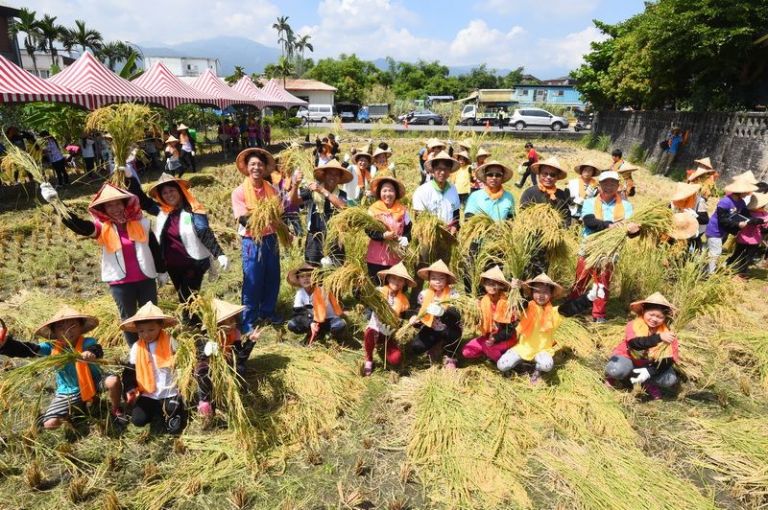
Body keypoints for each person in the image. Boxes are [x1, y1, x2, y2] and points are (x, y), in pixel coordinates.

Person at [40, 183, 163, 345]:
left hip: (146, 279)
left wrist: (162, 270)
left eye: (118, 203)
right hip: (121, 283)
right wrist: (56, 203)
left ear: (125, 203)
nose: (115, 208)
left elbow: (154, 247)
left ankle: (156, 349)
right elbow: (78, 225)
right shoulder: (102, 228)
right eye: (109, 205)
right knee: (128, 320)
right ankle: (135, 353)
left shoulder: (142, 223)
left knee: (152, 316)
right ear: (103, 209)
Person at [0, 306, 124, 428]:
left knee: (113, 381)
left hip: (94, 381)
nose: (68, 330)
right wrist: (7, 344)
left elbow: (97, 349)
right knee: (50, 424)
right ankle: (71, 412)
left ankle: (115, 410)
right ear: (54, 332)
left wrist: (91, 353)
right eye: (61, 327)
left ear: (81, 327)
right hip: (69, 390)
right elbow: (29, 349)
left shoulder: (87, 343)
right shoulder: (51, 347)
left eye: (73, 325)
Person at [129, 173, 228, 321]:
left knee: (187, 296)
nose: (169, 195)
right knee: (185, 297)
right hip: (172, 265)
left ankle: (193, 326)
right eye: (165, 192)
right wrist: (129, 178)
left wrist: (219, 253)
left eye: (172, 190)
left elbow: (204, 232)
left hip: (194, 263)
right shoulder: (163, 211)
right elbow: (143, 201)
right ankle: (195, 324)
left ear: (180, 190)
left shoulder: (193, 210)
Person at [496, 273, 595, 383]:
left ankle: (537, 371)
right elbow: (519, 302)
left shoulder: (554, 312)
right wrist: (515, 289)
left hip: (542, 351)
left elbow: (571, 307)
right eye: (537, 291)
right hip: (522, 348)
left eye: (545, 292)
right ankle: (521, 364)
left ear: (551, 294)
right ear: (532, 293)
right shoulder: (526, 308)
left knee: (547, 365)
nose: (541, 295)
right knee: (502, 365)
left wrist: (589, 298)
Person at [569, 171, 640, 323]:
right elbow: (589, 222)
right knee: (580, 280)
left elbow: (629, 232)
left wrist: (636, 230)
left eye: (612, 183)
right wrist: (611, 226)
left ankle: (598, 314)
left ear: (618, 186)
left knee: (602, 283)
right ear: (599, 185)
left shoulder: (626, 206)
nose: (609, 186)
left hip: (610, 251)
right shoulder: (590, 202)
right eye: (605, 183)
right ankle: (573, 309)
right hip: (589, 248)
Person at [231, 148, 287, 330]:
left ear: (264, 168)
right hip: (251, 241)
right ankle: (248, 319)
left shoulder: (271, 189)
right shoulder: (239, 192)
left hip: (271, 238)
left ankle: (268, 311)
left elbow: (279, 215)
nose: (256, 167)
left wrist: (283, 228)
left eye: (260, 164)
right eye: (253, 164)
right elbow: (243, 219)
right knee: (253, 278)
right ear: (247, 168)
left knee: (272, 276)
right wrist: (263, 216)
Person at [121, 302, 186, 435]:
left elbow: (181, 364)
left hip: (169, 389)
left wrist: (182, 386)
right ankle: (158, 410)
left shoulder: (171, 342)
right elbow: (130, 371)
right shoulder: (137, 347)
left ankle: (171, 410)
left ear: (160, 326)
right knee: (138, 420)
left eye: (151, 330)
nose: (146, 335)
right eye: (141, 331)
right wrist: (130, 387)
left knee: (174, 428)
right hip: (148, 391)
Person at [605, 292, 680, 399]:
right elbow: (635, 344)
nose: (654, 319)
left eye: (660, 317)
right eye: (651, 314)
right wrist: (659, 338)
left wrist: (649, 371)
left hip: (648, 364)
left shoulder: (668, 333)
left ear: (665, 318)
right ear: (644, 311)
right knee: (616, 369)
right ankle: (614, 377)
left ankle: (648, 382)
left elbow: (669, 359)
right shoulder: (634, 325)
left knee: (669, 378)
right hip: (628, 358)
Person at [194, 299, 261, 417]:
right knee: (202, 373)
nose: (230, 325)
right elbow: (200, 360)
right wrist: (208, 352)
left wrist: (251, 342)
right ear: (216, 325)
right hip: (210, 368)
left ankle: (236, 395)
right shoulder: (207, 338)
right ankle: (205, 402)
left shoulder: (235, 334)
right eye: (225, 322)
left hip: (227, 364)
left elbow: (239, 357)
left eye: (232, 320)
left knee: (240, 368)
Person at [410, 150, 461, 304]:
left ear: (450, 171)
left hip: (446, 239)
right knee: (421, 270)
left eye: (446, 168)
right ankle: (414, 303)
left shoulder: (453, 190)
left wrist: (454, 228)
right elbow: (419, 217)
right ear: (432, 170)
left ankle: (440, 304)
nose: (442, 172)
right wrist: (435, 228)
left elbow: (456, 215)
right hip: (427, 239)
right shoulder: (423, 190)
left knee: (441, 274)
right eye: (438, 168)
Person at [519, 157, 571, 277]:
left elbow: (566, 216)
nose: (548, 177)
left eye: (552, 175)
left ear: (557, 177)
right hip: (533, 239)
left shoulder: (561, 195)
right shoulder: (530, 193)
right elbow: (523, 214)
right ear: (539, 174)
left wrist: (559, 231)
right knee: (529, 268)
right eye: (545, 174)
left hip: (553, 242)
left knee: (548, 272)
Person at [293, 159, 351, 266]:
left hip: (335, 239)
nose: (333, 177)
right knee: (312, 269)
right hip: (314, 238)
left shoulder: (341, 194)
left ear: (340, 179)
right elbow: (295, 202)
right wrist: (295, 185)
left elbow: (343, 207)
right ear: (324, 175)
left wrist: (323, 191)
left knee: (335, 270)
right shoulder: (312, 190)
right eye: (330, 174)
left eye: (336, 175)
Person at [407, 260, 462, 369]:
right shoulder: (424, 294)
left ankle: (450, 356)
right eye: (434, 278)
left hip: (448, 328)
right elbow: (419, 310)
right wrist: (414, 318)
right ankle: (435, 345)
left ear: (447, 280)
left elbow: (457, 316)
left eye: (441, 278)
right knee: (416, 347)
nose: (437, 281)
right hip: (431, 328)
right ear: (429, 279)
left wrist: (443, 312)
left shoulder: (453, 294)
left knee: (453, 335)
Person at [362, 262, 413, 376]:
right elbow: (364, 297)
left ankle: (385, 348)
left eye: (400, 280)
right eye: (393, 278)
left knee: (396, 359)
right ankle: (369, 359)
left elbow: (402, 320)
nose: (396, 281)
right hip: (375, 328)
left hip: (390, 333)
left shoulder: (404, 301)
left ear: (404, 283)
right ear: (388, 278)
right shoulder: (378, 292)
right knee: (369, 336)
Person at [461, 266, 517, 363]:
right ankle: (490, 352)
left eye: (496, 283)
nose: (492, 286)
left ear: (501, 286)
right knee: (467, 351)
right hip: (488, 337)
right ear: (484, 285)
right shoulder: (483, 301)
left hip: (505, 338)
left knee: (488, 347)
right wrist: (473, 313)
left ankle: (504, 362)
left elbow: (510, 330)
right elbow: (478, 323)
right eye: (488, 283)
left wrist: (495, 338)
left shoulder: (507, 302)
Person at [705, 178, 759, 274]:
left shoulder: (741, 202)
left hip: (723, 231)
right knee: (715, 252)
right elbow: (723, 220)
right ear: (740, 192)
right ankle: (710, 274)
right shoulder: (725, 202)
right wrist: (738, 224)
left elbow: (746, 214)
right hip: (714, 230)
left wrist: (754, 220)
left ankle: (706, 269)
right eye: (746, 192)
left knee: (712, 251)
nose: (748, 194)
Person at [286, 263, 346, 343]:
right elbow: (298, 312)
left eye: (309, 276)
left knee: (340, 324)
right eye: (302, 276)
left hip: (328, 320)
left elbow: (321, 311)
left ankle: (331, 335)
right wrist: (310, 323)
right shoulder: (300, 293)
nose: (306, 279)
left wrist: (315, 322)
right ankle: (312, 332)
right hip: (311, 320)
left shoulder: (322, 290)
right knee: (292, 324)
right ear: (298, 279)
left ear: (315, 278)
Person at [365, 176, 411, 278]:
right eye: (384, 191)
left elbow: (409, 229)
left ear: (396, 193)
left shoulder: (403, 210)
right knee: (378, 287)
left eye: (391, 191)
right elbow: (368, 230)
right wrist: (383, 235)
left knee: (395, 286)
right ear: (379, 193)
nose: (387, 194)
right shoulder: (373, 210)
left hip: (396, 257)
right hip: (376, 257)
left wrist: (406, 238)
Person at [728, 192, 768, 275]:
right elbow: (765, 229)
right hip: (754, 240)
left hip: (742, 238)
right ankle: (741, 272)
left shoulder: (745, 212)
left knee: (737, 254)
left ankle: (729, 266)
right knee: (747, 257)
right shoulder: (765, 215)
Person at [670, 182, 709, 251]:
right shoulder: (674, 200)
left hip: (693, 230)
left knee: (686, 249)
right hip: (678, 227)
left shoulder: (699, 201)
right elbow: (668, 211)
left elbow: (705, 220)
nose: (683, 199)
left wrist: (695, 215)